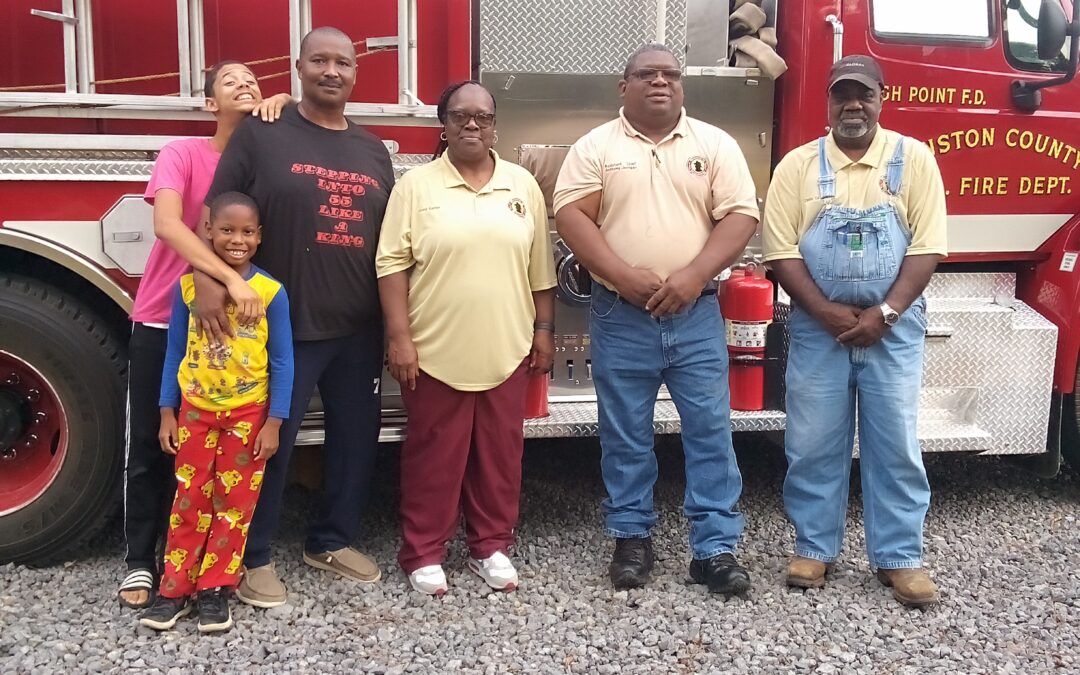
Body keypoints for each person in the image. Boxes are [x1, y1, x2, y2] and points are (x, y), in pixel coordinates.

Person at [553, 43, 759, 596]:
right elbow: (572, 214)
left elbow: (740, 215)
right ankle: (630, 538)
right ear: (625, 87)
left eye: (670, 74)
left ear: (682, 86)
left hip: (696, 313)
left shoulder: (713, 144)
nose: (660, 82)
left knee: (710, 432)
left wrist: (693, 275)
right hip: (622, 315)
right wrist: (619, 274)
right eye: (646, 74)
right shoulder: (596, 146)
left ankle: (714, 549)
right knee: (625, 434)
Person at [201, 26, 395, 607]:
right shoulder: (263, 131)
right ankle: (253, 556)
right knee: (271, 445)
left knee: (356, 440)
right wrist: (212, 279)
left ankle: (330, 541)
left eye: (344, 62)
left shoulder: (373, 150)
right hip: (282, 328)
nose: (332, 71)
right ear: (298, 66)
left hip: (358, 326)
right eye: (320, 60)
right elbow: (218, 208)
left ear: (356, 73)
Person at [762, 55, 947, 607]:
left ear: (881, 98)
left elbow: (927, 246)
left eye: (863, 95)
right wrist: (823, 311)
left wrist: (885, 313)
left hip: (893, 329)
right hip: (822, 331)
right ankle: (813, 548)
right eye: (842, 95)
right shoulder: (797, 166)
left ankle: (900, 559)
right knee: (812, 442)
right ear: (826, 102)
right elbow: (780, 251)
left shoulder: (914, 160)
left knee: (895, 443)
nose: (853, 105)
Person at [118, 62, 290, 609]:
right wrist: (217, 278)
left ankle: (209, 571)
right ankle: (141, 563)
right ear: (210, 103)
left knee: (223, 469)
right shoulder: (183, 154)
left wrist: (287, 104)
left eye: (253, 81)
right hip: (167, 319)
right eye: (229, 81)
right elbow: (169, 225)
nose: (245, 85)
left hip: (237, 344)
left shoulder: (264, 158)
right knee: (153, 444)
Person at [376, 81, 556, 596]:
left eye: (482, 116)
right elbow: (391, 264)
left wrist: (543, 331)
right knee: (434, 453)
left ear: (496, 123)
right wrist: (400, 337)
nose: (471, 124)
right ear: (444, 125)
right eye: (460, 116)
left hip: (507, 346)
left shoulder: (521, 185)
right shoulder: (416, 186)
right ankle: (424, 551)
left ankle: (491, 546)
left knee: (501, 453)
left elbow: (539, 268)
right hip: (433, 350)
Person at [138, 191, 293, 633]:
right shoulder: (186, 290)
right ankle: (174, 589)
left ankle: (215, 589)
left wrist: (275, 422)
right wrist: (167, 412)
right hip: (195, 414)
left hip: (248, 417)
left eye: (247, 232)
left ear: (259, 237)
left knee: (233, 506)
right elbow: (174, 353)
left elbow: (282, 361)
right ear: (207, 231)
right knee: (189, 500)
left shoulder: (270, 293)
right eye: (226, 230)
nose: (237, 240)